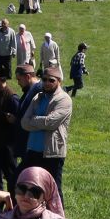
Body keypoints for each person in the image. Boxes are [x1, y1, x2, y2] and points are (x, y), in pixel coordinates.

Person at [18, 65, 73, 193]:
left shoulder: (64, 99)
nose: (47, 83)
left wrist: (34, 119)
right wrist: (41, 120)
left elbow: (51, 122)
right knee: (25, 186)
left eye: (51, 80)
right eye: (44, 79)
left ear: (59, 81)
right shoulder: (38, 97)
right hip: (32, 151)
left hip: (51, 153)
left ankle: (58, 214)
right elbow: (24, 122)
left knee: (52, 190)